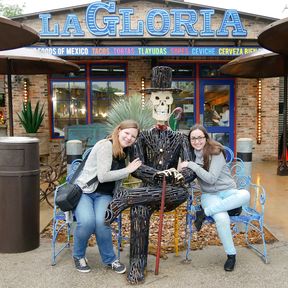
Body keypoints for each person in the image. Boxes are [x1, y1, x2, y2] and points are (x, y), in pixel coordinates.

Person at [105, 66, 196, 284]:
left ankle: (125, 197)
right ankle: (137, 265)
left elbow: (191, 168)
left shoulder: (181, 138)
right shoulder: (142, 136)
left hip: (173, 191)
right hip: (150, 190)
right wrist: (158, 175)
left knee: (166, 194)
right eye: (157, 98)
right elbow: (136, 167)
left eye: (166, 98)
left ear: (171, 102)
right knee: (138, 210)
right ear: (151, 101)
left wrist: (181, 174)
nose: (162, 103)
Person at [178, 124, 250, 272]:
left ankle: (204, 213)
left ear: (206, 137)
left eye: (200, 137)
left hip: (228, 191)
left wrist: (192, 165)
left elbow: (211, 179)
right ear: (190, 140)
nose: (197, 141)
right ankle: (231, 255)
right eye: (193, 138)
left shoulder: (215, 152)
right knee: (222, 218)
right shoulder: (190, 155)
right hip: (209, 195)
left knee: (245, 194)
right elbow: (182, 170)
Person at [72, 119, 142, 273]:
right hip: (85, 192)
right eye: (126, 133)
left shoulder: (125, 152)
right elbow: (103, 176)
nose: (129, 137)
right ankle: (78, 255)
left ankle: (110, 259)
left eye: (133, 136)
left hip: (104, 195)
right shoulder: (106, 145)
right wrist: (127, 170)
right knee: (87, 222)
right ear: (118, 131)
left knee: (102, 222)